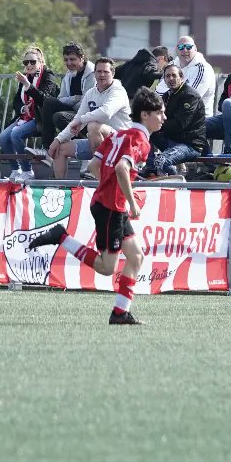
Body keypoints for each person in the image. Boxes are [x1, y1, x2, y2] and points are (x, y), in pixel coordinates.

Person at [28, 88, 166, 325]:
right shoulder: (140, 141)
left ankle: (120, 312)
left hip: (110, 204)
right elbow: (122, 169)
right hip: (111, 207)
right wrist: (131, 201)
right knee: (106, 267)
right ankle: (62, 237)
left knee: (135, 257)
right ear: (145, 114)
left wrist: (113, 187)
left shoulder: (119, 134)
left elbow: (94, 165)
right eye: (160, 112)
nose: (164, 117)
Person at [46, 58, 131, 180]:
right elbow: (77, 119)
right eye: (98, 71)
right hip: (99, 143)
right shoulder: (90, 93)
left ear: (112, 73)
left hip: (121, 143)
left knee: (93, 126)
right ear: (94, 73)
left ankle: (99, 174)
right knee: (60, 149)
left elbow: (106, 113)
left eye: (105, 72)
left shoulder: (118, 91)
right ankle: (61, 190)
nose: (102, 75)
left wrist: (82, 120)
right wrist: (57, 140)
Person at [0, 46, 58, 182]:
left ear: (40, 62)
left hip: (40, 117)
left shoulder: (48, 75)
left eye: (32, 62)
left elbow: (44, 99)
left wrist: (27, 84)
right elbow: (16, 101)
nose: (29, 65)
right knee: (2, 138)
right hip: (25, 116)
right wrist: (22, 108)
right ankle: (16, 169)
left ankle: (27, 170)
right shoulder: (27, 77)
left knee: (15, 134)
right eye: (26, 63)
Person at [33, 43, 95, 150]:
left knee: (58, 117)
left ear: (81, 58)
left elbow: (86, 101)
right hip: (73, 110)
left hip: (87, 115)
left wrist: (72, 101)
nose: (69, 63)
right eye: (66, 60)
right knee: (49, 102)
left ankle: (75, 144)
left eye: (72, 59)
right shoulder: (69, 74)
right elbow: (61, 98)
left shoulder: (93, 73)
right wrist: (75, 98)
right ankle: (47, 148)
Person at [146, 64, 205, 177]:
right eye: (167, 76)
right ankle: (150, 167)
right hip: (172, 140)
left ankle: (180, 183)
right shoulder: (167, 95)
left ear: (181, 77)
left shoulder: (190, 96)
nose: (171, 79)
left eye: (174, 75)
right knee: (145, 127)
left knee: (161, 162)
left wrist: (157, 124)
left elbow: (179, 125)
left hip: (190, 145)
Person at [175, 36, 216, 116]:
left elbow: (190, 98)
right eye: (181, 47)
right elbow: (160, 90)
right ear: (176, 49)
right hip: (177, 115)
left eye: (188, 47)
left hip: (199, 120)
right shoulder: (172, 66)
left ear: (195, 49)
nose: (184, 50)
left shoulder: (204, 69)